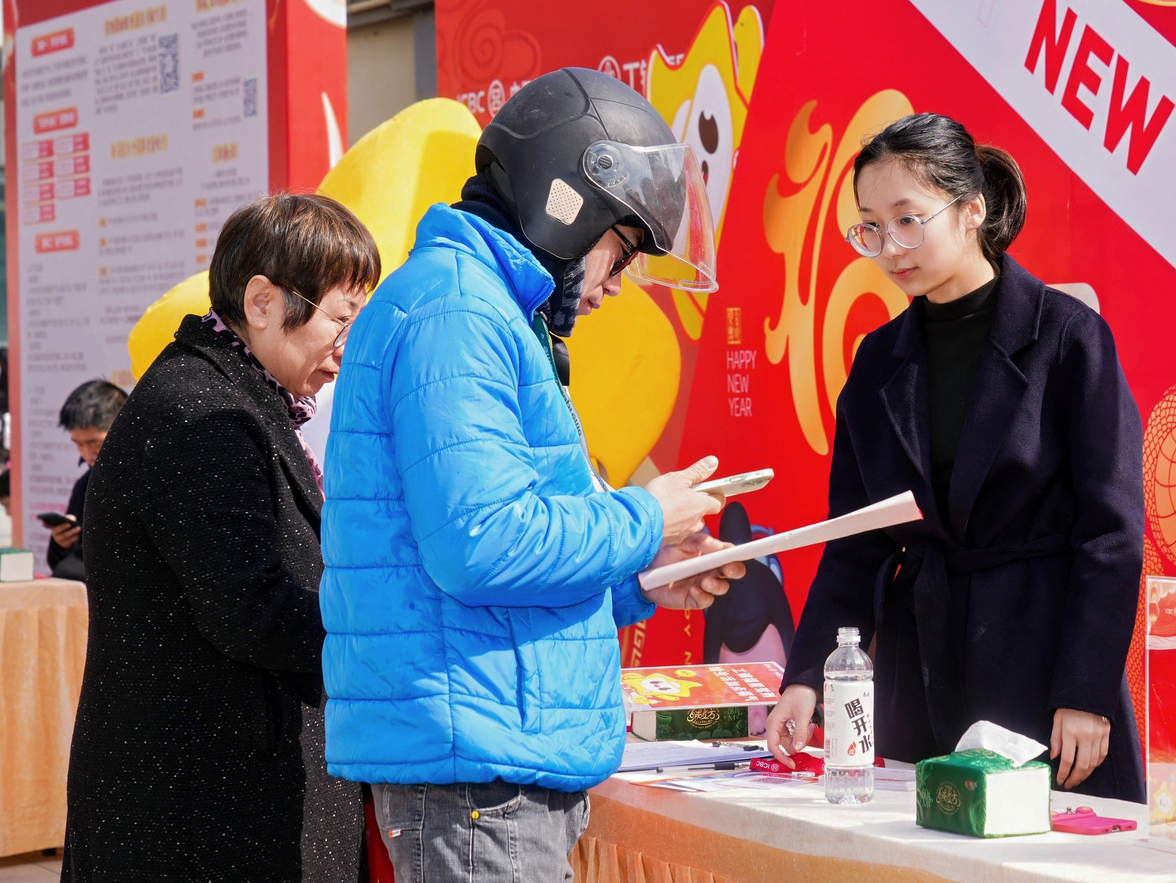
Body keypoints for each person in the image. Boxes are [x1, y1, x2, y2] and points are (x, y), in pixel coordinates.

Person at [321, 67, 745, 883]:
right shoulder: (458, 311)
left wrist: (642, 579)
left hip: (488, 751)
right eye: (618, 253)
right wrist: (642, 517)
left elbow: (476, 568)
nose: (615, 287)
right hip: (477, 770)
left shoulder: (478, 308)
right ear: (566, 202)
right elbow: (480, 541)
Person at [767, 113, 1147, 799]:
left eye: (909, 219)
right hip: (922, 672)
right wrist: (805, 678)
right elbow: (855, 541)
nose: (889, 246)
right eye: (871, 226)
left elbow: (1111, 534)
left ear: (972, 209)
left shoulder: (1068, 338)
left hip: (1041, 669)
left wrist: (1084, 690)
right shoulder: (878, 362)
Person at [63, 194, 379, 882]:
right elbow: (254, 610)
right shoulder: (202, 413)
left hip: (211, 797)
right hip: (196, 810)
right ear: (263, 301)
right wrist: (392, 632)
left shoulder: (230, 396)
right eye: (342, 318)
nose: (347, 346)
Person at [46, 380, 127, 581]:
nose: (86, 453)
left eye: (94, 443)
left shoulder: (146, 482)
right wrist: (61, 544)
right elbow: (63, 564)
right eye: (78, 444)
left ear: (124, 428)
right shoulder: (85, 483)